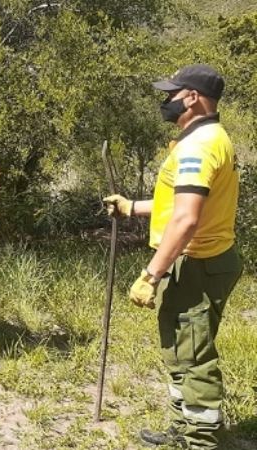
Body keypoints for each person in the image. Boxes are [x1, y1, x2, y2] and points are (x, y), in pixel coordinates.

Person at [104, 64, 241, 449]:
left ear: (193, 97)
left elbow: (186, 218)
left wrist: (151, 274)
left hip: (199, 262)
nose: (165, 101)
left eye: (171, 94)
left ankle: (201, 440)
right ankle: (184, 428)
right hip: (199, 260)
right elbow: (177, 201)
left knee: (193, 356)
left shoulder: (199, 145)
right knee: (179, 350)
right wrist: (132, 207)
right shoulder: (200, 138)